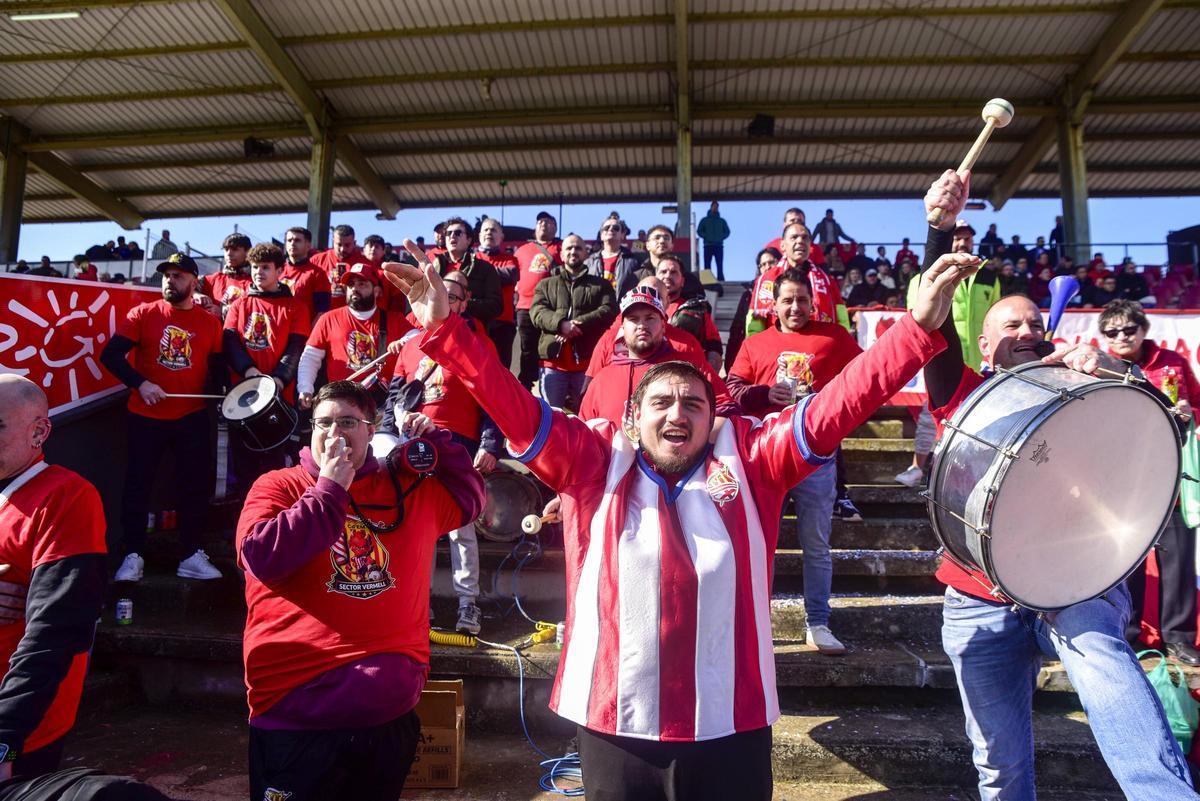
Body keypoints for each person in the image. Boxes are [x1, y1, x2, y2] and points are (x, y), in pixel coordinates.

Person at [380, 225, 976, 801]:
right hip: (612, 719)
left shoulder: (753, 457)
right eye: (661, 401)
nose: (677, 414)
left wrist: (915, 330)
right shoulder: (593, 459)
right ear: (633, 417)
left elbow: (840, 404)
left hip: (732, 720)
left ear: (712, 414)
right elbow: (511, 406)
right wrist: (446, 330)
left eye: (693, 402)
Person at [918, 170, 1195, 801]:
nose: (1023, 331)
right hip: (975, 597)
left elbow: (1143, 446)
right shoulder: (959, 394)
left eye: (1033, 323)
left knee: (1111, 681)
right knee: (999, 763)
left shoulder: (1083, 385)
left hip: (1072, 582)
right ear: (982, 346)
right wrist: (936, 230)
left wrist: (1117, 375)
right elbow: (928, 319)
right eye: (1008, 326)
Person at [236, 380, 484, 801]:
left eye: (348, 421)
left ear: (372, 430)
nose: (334, 433)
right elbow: (261, 556)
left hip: (387, 718)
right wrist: (330, 490)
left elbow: (471, 500)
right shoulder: (278, 485)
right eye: (323, 423)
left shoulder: (405, 486)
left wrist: (437, 441)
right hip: (297, 721)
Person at [725, 270, 863, 654]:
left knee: (816, 545)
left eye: (802, 299)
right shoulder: (756, 342)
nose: (795, 307)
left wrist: (828, 399)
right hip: (767, 456)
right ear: (773, 303)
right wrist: (766, 393)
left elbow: (860, 380)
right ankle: (756, 625)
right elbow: (732, 390)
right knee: (760, 544)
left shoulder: (834, 337)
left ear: (812, 301)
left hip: (816, 456)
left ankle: (817, 622)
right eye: (787, 299)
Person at [378, 272, 499, 636]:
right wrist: (388, 434)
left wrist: (489, 444)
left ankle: (468, 604)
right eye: (437, 294)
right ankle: (418, 602)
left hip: (457, 442)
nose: (442, 300)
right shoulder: (410, 344)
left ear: (463, 304)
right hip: (413, 444)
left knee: (461, 529)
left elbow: (495, 400)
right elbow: (395, 397)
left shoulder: (478, 342)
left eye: (452, 295)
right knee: (418, 527)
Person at [0, 375, 106, 781]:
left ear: (39, 431)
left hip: (22, 728)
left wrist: (6, 735)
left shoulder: (65, 496)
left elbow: (57, 628)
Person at [100, 254, 225, 583]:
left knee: (194, 487)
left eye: (178, 276)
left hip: (192, 416)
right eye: (167, 275)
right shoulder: (143, 313)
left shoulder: (211, 323)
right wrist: (140, 383)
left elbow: (216, 371)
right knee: (137, 485)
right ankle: (132, 555)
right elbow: (110, 355)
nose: (170, 280)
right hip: (145, 415)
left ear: (194, 282)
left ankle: (190, 555)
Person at [1099, 299, 1200, 665]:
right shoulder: (1100, 368)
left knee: (1179, 562)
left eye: (1129, 329)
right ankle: (1128, 636)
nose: (1122, 337)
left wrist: (1190, 414)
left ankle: (1180, 638)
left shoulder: (1172, 362)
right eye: (1112, 332)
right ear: (1104, 337)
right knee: (1127, 564)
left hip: (1173, 477)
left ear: (1144, 329)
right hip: (1125, 482)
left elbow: (1199, 406)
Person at [581, 284, 738, 425]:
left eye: (650, 318)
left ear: (663, 325)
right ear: (622, 327)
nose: (642, 325)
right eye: (633, 319)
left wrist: (701, 442)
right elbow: (583, 433)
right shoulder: (601, 380)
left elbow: (726, 407)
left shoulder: (688, 367)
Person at [223, 243, 311, 493]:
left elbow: (296, 348)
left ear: (280, 271)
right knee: (243, 467)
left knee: (275, 467)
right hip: (244, 398)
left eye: (265, 267)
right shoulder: (239, 305)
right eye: (254, 267)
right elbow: (230, 342)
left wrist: (278, 381)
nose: (258, 272)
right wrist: (249, 372)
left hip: (279, 399)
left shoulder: (296, 307)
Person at [297, 263, 411, 410]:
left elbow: (417, 337)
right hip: (341, 402)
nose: (355, 289)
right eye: (351, 285)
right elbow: (310, 357)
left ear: (376, 291)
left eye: (362, 284)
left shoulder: (394, 319)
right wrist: (305, 388)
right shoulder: (328, 319)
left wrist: (404, 342)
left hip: (381, 405)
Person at [530, 234, 617, 411]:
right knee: (551, 419)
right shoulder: (545, 285)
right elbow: (537, 312)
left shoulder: (601, 285)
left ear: (586, 253)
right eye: (569, 248)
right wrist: (561, 324)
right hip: (552, 364)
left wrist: (578, 324)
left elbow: (609, 311)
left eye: (578, 248)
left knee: (587, 416)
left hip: (587, 365)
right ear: (561, 255)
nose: (573, 251)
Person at [748, 223, 849, 336]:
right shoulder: (766, 279)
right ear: (782, 245)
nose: (800, 241)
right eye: (794, 237)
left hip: (820, 346)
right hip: (777, 349)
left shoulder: (826, 280)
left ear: (810, 245)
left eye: (805, 237)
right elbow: (755, 323)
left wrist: (843, 341)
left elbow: (842, 317)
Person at [514, 211, 563, 389]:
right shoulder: (522, 250)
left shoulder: (562, 247)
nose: (543, 224)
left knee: (549, 346)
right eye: (540, 221)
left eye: (548, 222)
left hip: (551, 307)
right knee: (527, 348)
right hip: (525, 306)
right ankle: (525, 386)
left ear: (555, 228)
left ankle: (549, 385)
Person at [656, 255, 722, 370]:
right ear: (655, 277)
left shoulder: (697, 310)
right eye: (663, 272)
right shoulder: (641, 308)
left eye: (673, 272)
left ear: (682, 281)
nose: (667, 276)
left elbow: (714, 348)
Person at [432, 217, 501, 326]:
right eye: (449, 233)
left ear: (469, 240)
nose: (452, 236)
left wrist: (461, 302)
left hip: (470, 331)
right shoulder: (433, 268)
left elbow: (495, 306)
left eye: (458, 233)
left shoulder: (484, 268)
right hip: (437, 329)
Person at [726, 248, 781, 370]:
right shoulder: (749, 294)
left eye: (771, 262)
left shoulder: (790, 290)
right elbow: (737, 328)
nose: (767, 267)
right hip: (761, 352)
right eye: (763, 265)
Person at [477, 217, 519, 367]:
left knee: (501, 369)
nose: (489, 232)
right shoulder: (471, 259)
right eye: (486, 229)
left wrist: (481, 274)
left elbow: (512, 275)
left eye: (493, 229)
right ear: (479, 235)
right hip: (477, 323)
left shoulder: (511, 259)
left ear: (501, 237)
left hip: (503, 324)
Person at [282, 226, 332, 323]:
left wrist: (312, 336)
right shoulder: (277, 270)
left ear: (308, 245)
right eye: (289, 240)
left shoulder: (317, 274)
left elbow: (322, 312)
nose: (292, 243)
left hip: (304, 333)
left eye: (297, 240)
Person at [311, 224, 367, 310]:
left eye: (347, 245)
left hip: (352, 315)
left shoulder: (364, 263)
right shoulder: (316, 260)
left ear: (354, 243)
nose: (342, 249)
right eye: (339, 244)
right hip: (323, 315)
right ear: (333, 242)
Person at [199, 232, 253, 318]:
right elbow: (186, 285)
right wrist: (197, 295)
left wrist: (222, 311)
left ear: (247, 252)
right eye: (226, 249)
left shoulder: (256, 283)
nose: (229, 254)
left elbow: (254, 310)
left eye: (235, 249)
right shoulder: (214, 279)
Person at [585, 213, 642, 292]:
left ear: (622, 235)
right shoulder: (588, 262)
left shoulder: (634, 261)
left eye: (616, 228)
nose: (611, 229)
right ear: (601, 235)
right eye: (606, 228)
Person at [697, 200, 731, 280]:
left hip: (719, 245)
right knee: (707, 264)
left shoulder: (721, 221)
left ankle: (720, 279)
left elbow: (727, 232)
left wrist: (720, 237)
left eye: (717, 207)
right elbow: (699, 231)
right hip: (707, 245)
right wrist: (706, 236)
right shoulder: (704, 220)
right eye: (714, 206)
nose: (715, 208)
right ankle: (707, 279)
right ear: (711, 207)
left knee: (719, 264)